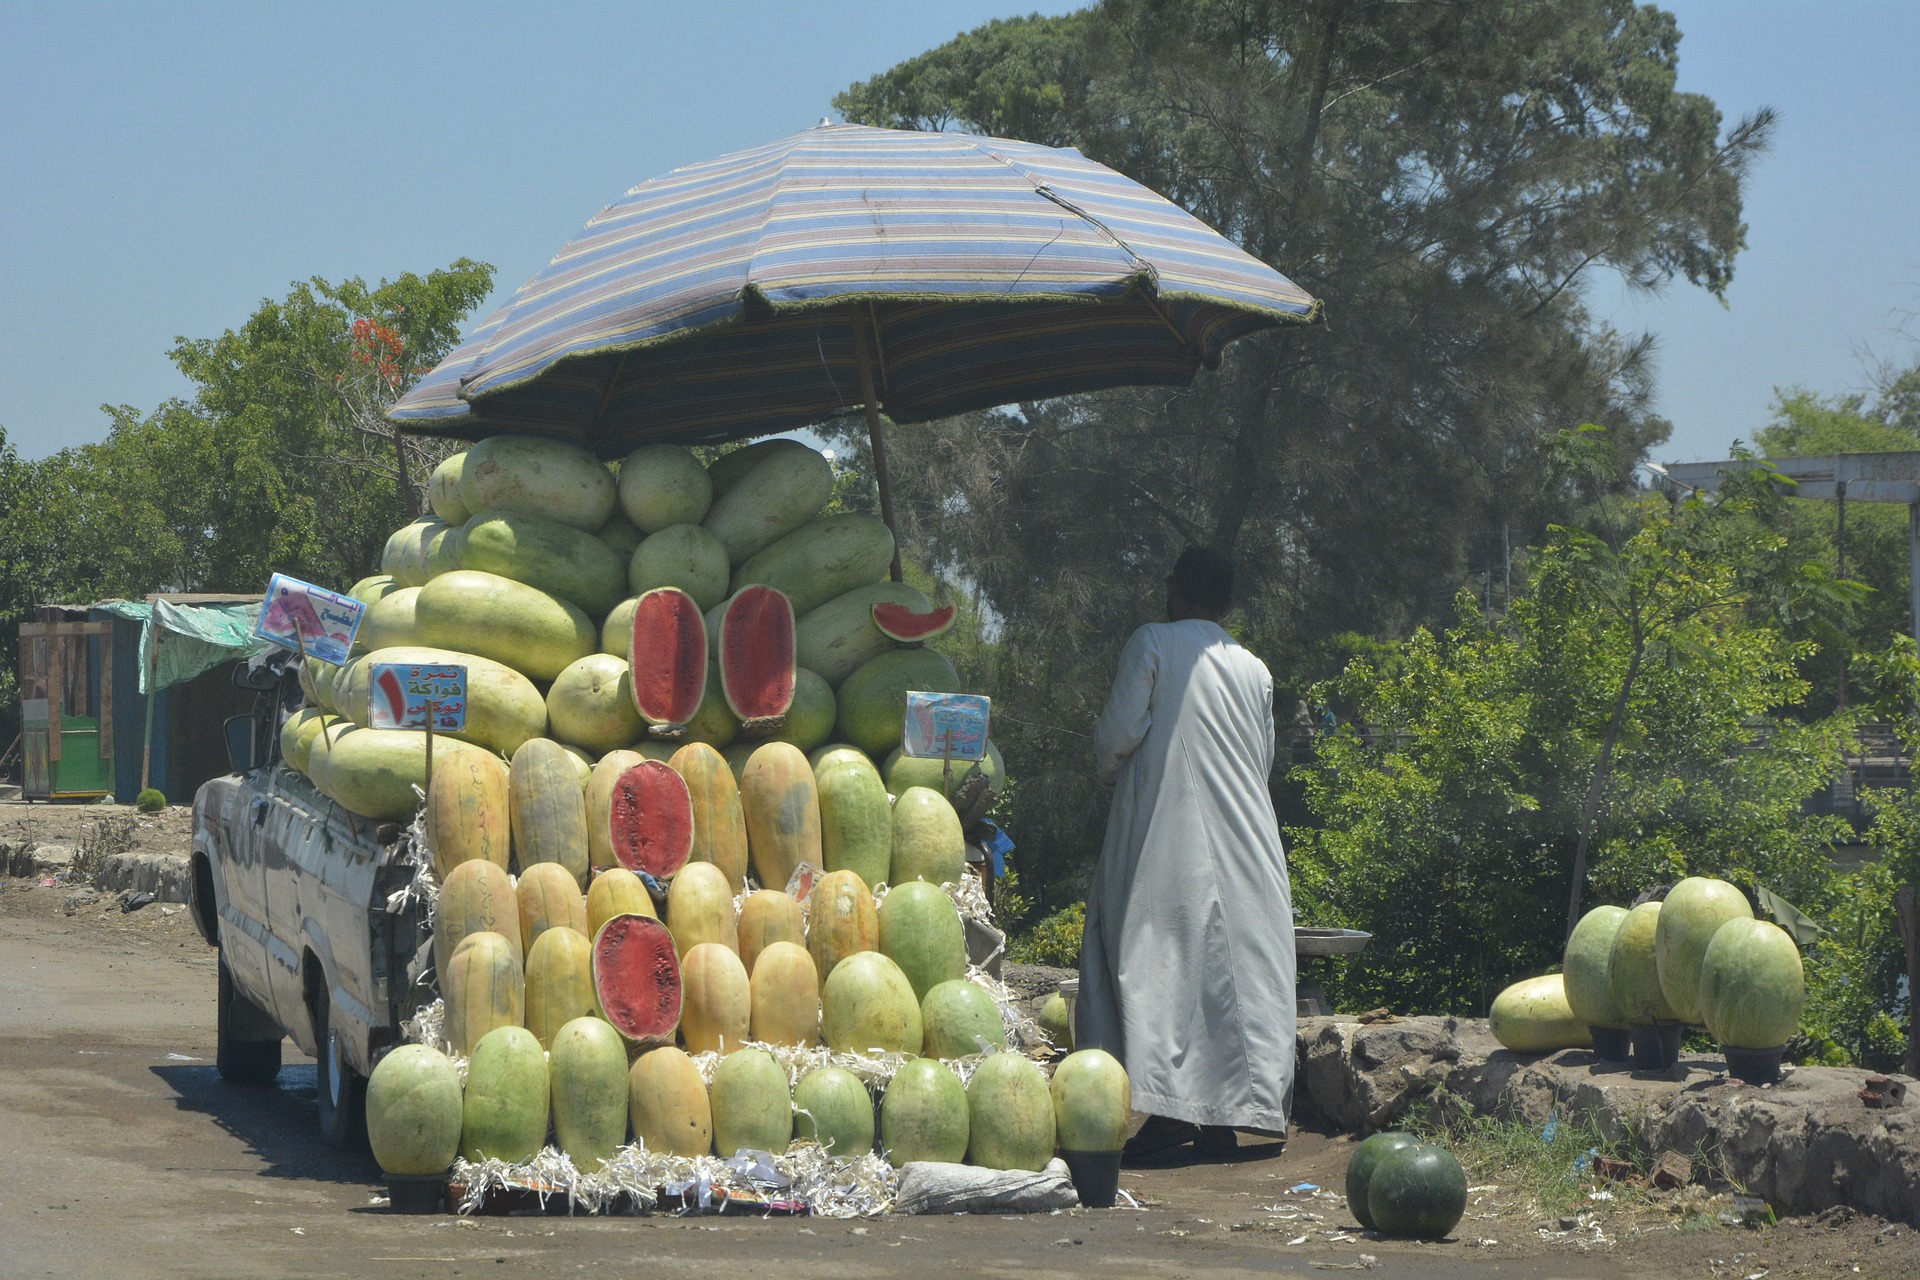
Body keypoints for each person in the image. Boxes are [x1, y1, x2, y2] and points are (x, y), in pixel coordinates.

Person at [1077, 546, 1296, 1161]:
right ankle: (1222, 1120)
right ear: (1228, 605)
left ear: (1172, 589)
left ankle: (1171, 1115)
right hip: (1250, 836)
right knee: (1239, 969)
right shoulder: (1256, 669)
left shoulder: (1152, 640)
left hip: (1161, 826)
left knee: (1156, 957)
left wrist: (1107, 767)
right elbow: (1265, 759)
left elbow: (1117, 735)